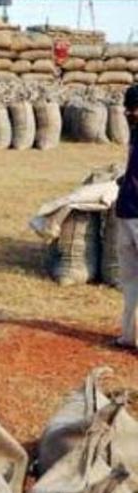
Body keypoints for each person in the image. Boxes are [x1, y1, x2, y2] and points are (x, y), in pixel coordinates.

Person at [114, 85, 138, 350]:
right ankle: (130, 336)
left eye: (133, 109)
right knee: (131, 281)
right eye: (128, 109)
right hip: (126, 212)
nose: (129, 114)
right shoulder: (135, 135)